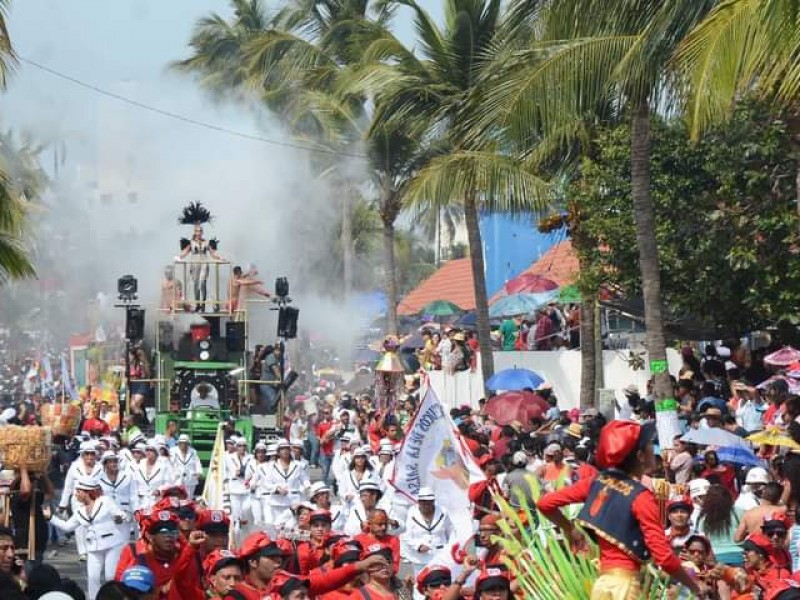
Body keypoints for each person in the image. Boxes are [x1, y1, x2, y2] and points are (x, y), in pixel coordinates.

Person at [537, 420, 703, 598]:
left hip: (602, 585)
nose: (653, 450)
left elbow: (544, 503)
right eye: (649, 445)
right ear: (640, 455)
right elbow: (664, 558)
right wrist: (694, 587)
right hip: (626, 587)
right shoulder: (642, 498)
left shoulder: (597, 482)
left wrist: (569, 529)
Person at [46, 476, 129, 600]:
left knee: (110, 577)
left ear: (87, 492)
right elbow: (67, 526)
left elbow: (121, 515)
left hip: (112, 544)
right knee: (93, 578)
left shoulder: (105, 501)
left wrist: (120, 518)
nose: (76, 494)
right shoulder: (80, 511)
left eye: (78, 491)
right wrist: (50, 517)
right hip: (93, 547)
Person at [59, 442, 102, 561]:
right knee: (80, 525)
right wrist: (63, 503)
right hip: (77, 500)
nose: (89, 456)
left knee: (93, 524)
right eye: (87, 454)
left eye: (92, 454)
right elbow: (68, 486)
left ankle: (92, 548)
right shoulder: (74, 466)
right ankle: (82, 551)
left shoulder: (100, 467)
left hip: (94, 499)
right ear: (82, 455)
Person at [404, 487, 454, 577]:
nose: (426, 504)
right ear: (419, 501)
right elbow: (406, 536)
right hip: (420, 559)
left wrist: (448, 549)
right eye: (423, 501)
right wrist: (418, 546)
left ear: (433, 501)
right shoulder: (411, 513)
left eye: (429, 501)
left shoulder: (443, 512)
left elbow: (451, 533)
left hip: (440, 556)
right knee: (421, 584)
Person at [695, 483, 742, 567]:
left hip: (715, 558)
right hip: (738, 556)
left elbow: (702, 539)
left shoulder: (702, 518)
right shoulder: (738, 511)